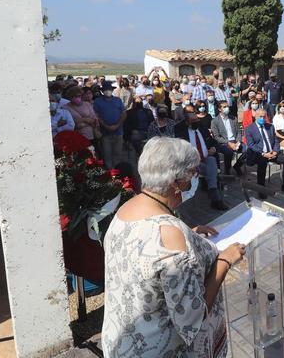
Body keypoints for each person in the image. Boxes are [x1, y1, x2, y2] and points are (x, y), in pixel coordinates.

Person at [101, 137, 245, 357]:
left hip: (123, 341)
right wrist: (225, 261)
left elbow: (149, 254)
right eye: (192, 174)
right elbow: (192, 316)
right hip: (160, 348)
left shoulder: (125, 209)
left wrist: (192, 235)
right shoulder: (171, 233)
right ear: (175, 183)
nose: (194, 181)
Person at [176, 108, 226, 210]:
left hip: (206, 158)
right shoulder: (181, 132)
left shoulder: (202, 129)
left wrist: (214, 148)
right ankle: (214, 194)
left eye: (197, 121)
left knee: (211, 160)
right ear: (187, 122)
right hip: (192, 163)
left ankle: (211, 189)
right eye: (193, 121)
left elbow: (214, 142)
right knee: (211, 169)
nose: (196, 123)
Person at [244, 108, 284, 195]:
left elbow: (276, 141)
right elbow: (251, 145)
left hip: (272, 152)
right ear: (255, 116)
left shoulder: (270, 127)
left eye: (264, 116)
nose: (262, 118)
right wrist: (264, 154)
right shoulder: (249, 129)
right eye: (260, 116)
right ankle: (261, 188)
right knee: (262, 162)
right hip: (259, 153)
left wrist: (275, 151)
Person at [211, 101, 245, 176]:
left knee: (247, 150)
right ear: (219, 109)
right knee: (229, 151)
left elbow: (239, 132)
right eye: (224, 107)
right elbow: (216, 137)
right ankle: (227, 170)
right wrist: (229, 143)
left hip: (235, 141)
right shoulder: (215, 121)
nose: (227, 108)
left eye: (227, 106)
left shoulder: (233, 118)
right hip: (223, 143)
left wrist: (238, 142)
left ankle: (237, 166)